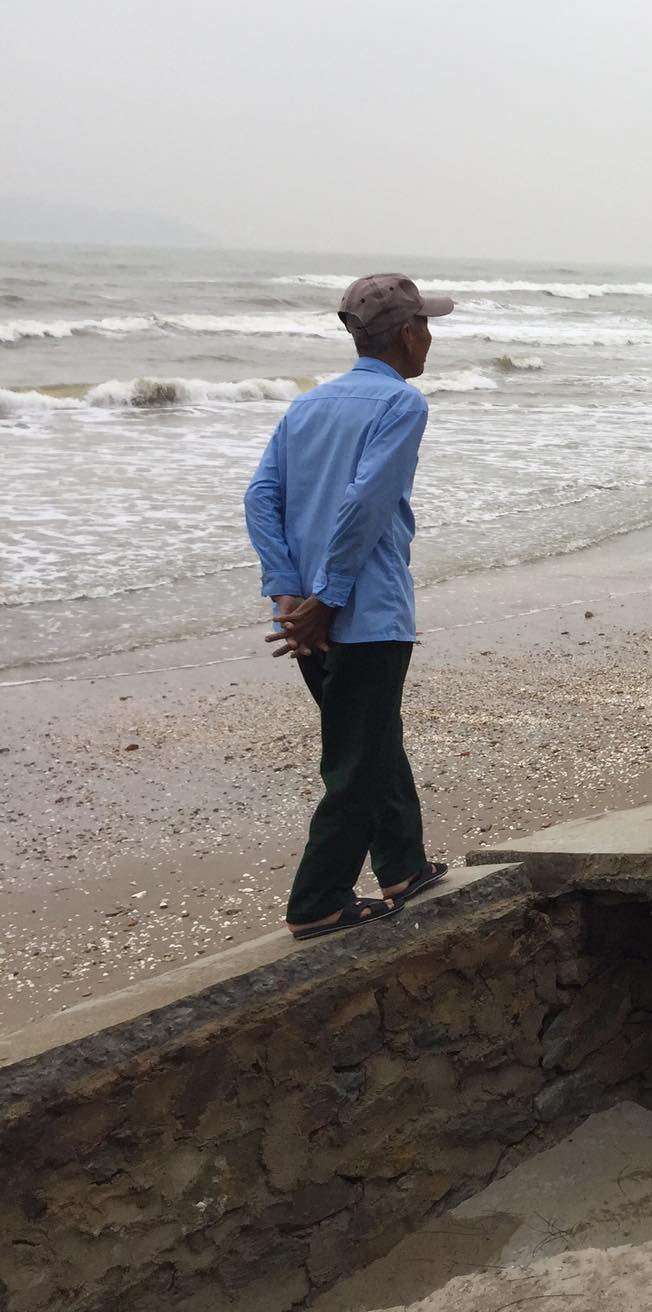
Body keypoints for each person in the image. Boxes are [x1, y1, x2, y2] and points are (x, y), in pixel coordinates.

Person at [245, 273, 456, 940]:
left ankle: (402, 866)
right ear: (407, 333)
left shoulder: (309, 406)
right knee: (357, 763)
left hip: (307, 618)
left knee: (373, 741)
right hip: (359, 614)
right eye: (426, 324)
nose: (430, 336)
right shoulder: (402, 405)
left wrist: (289, 594)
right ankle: (318, 900)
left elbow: (261, 497)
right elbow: (365, 505)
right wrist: (329, 599)